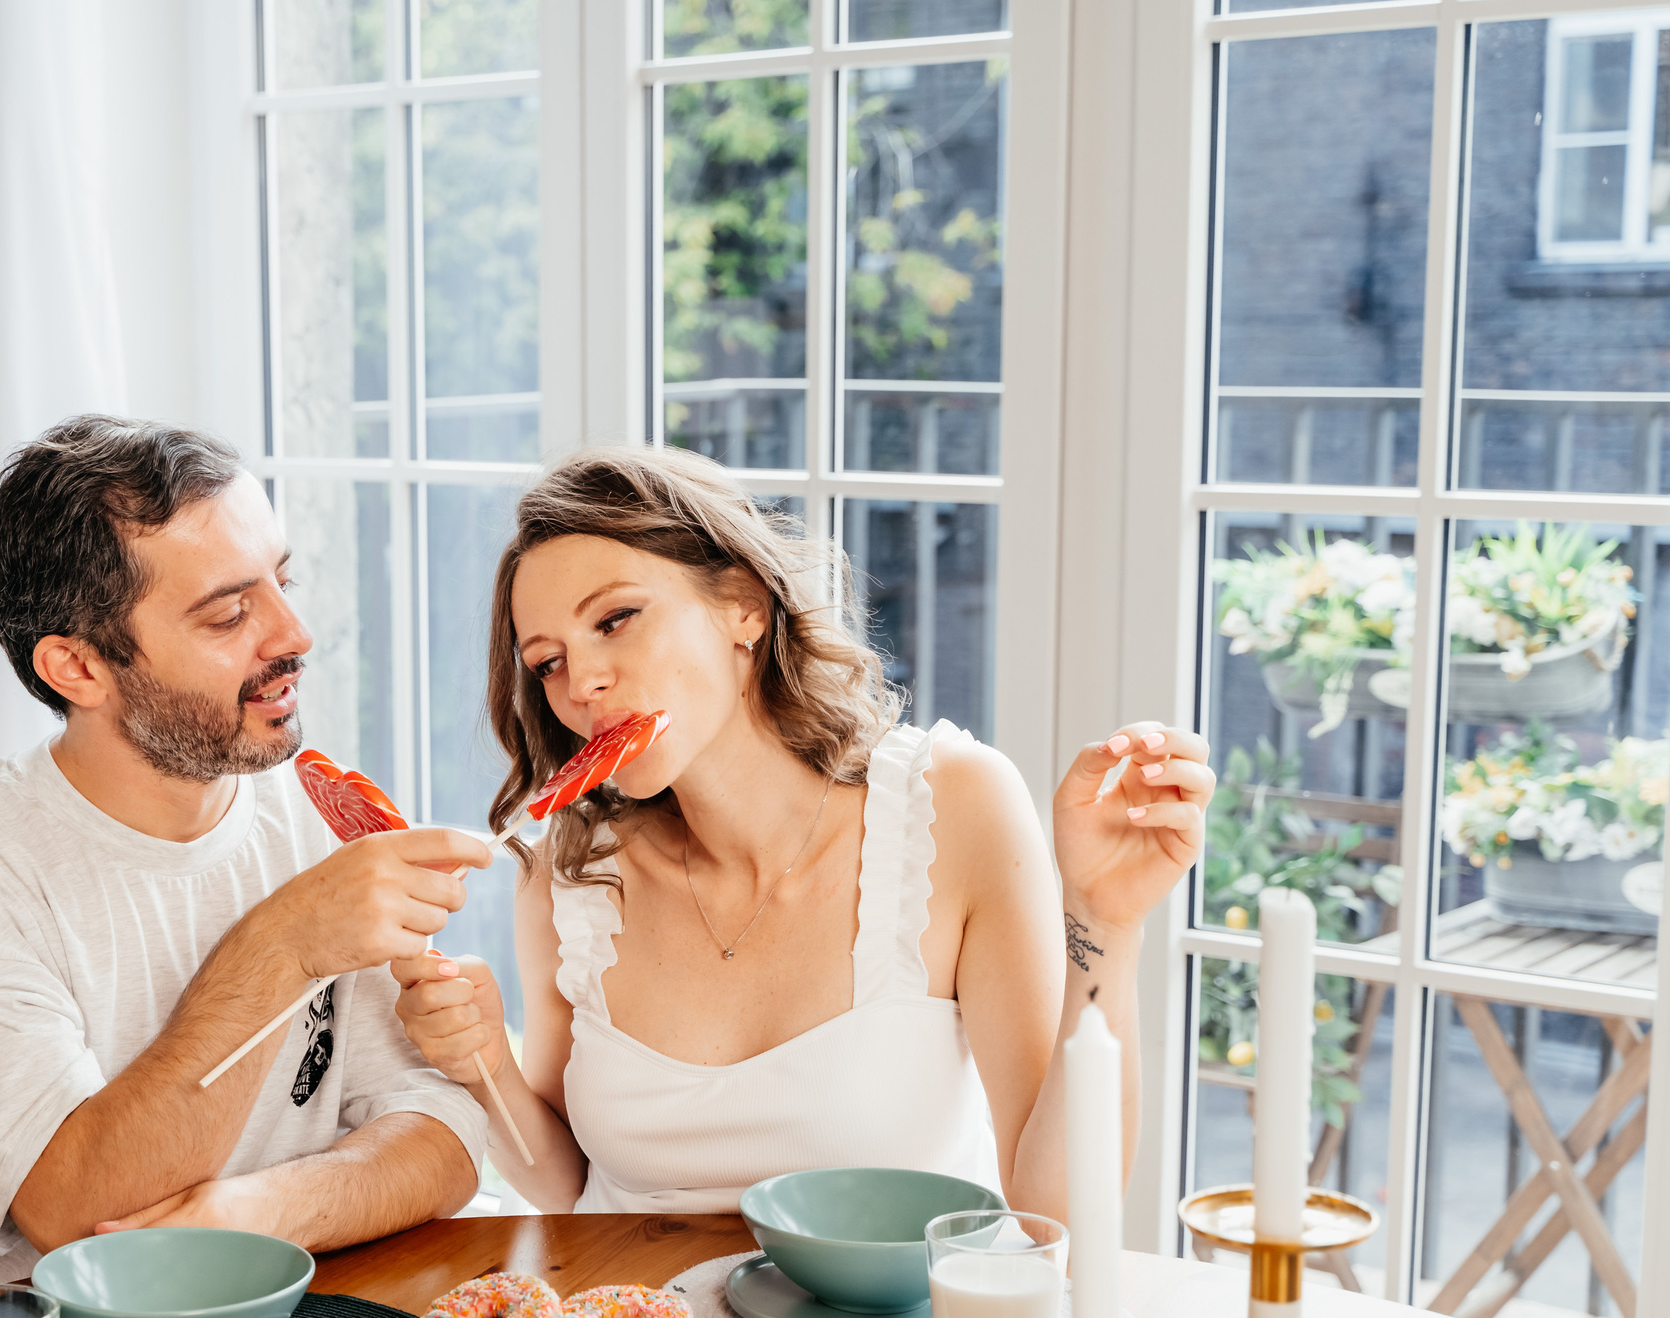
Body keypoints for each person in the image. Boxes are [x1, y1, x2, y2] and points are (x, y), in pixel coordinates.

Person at [0, 416, 490, 1318]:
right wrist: (284, 948)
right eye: (230, 613)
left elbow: (442, 1132)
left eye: (283, 581)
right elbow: (79, 1213)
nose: (295, 634)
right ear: (76, 666)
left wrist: (256, 1211)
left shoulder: (311, 811)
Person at [391, 445, 1208, 1222]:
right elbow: (567, 1190)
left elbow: (1053, 1216)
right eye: (548, 661)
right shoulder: (572, 874)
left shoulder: (954, 806)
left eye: (616, 620)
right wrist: (482, 1064)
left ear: (743, 606)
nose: (584, 684)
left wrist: (1105, 922)